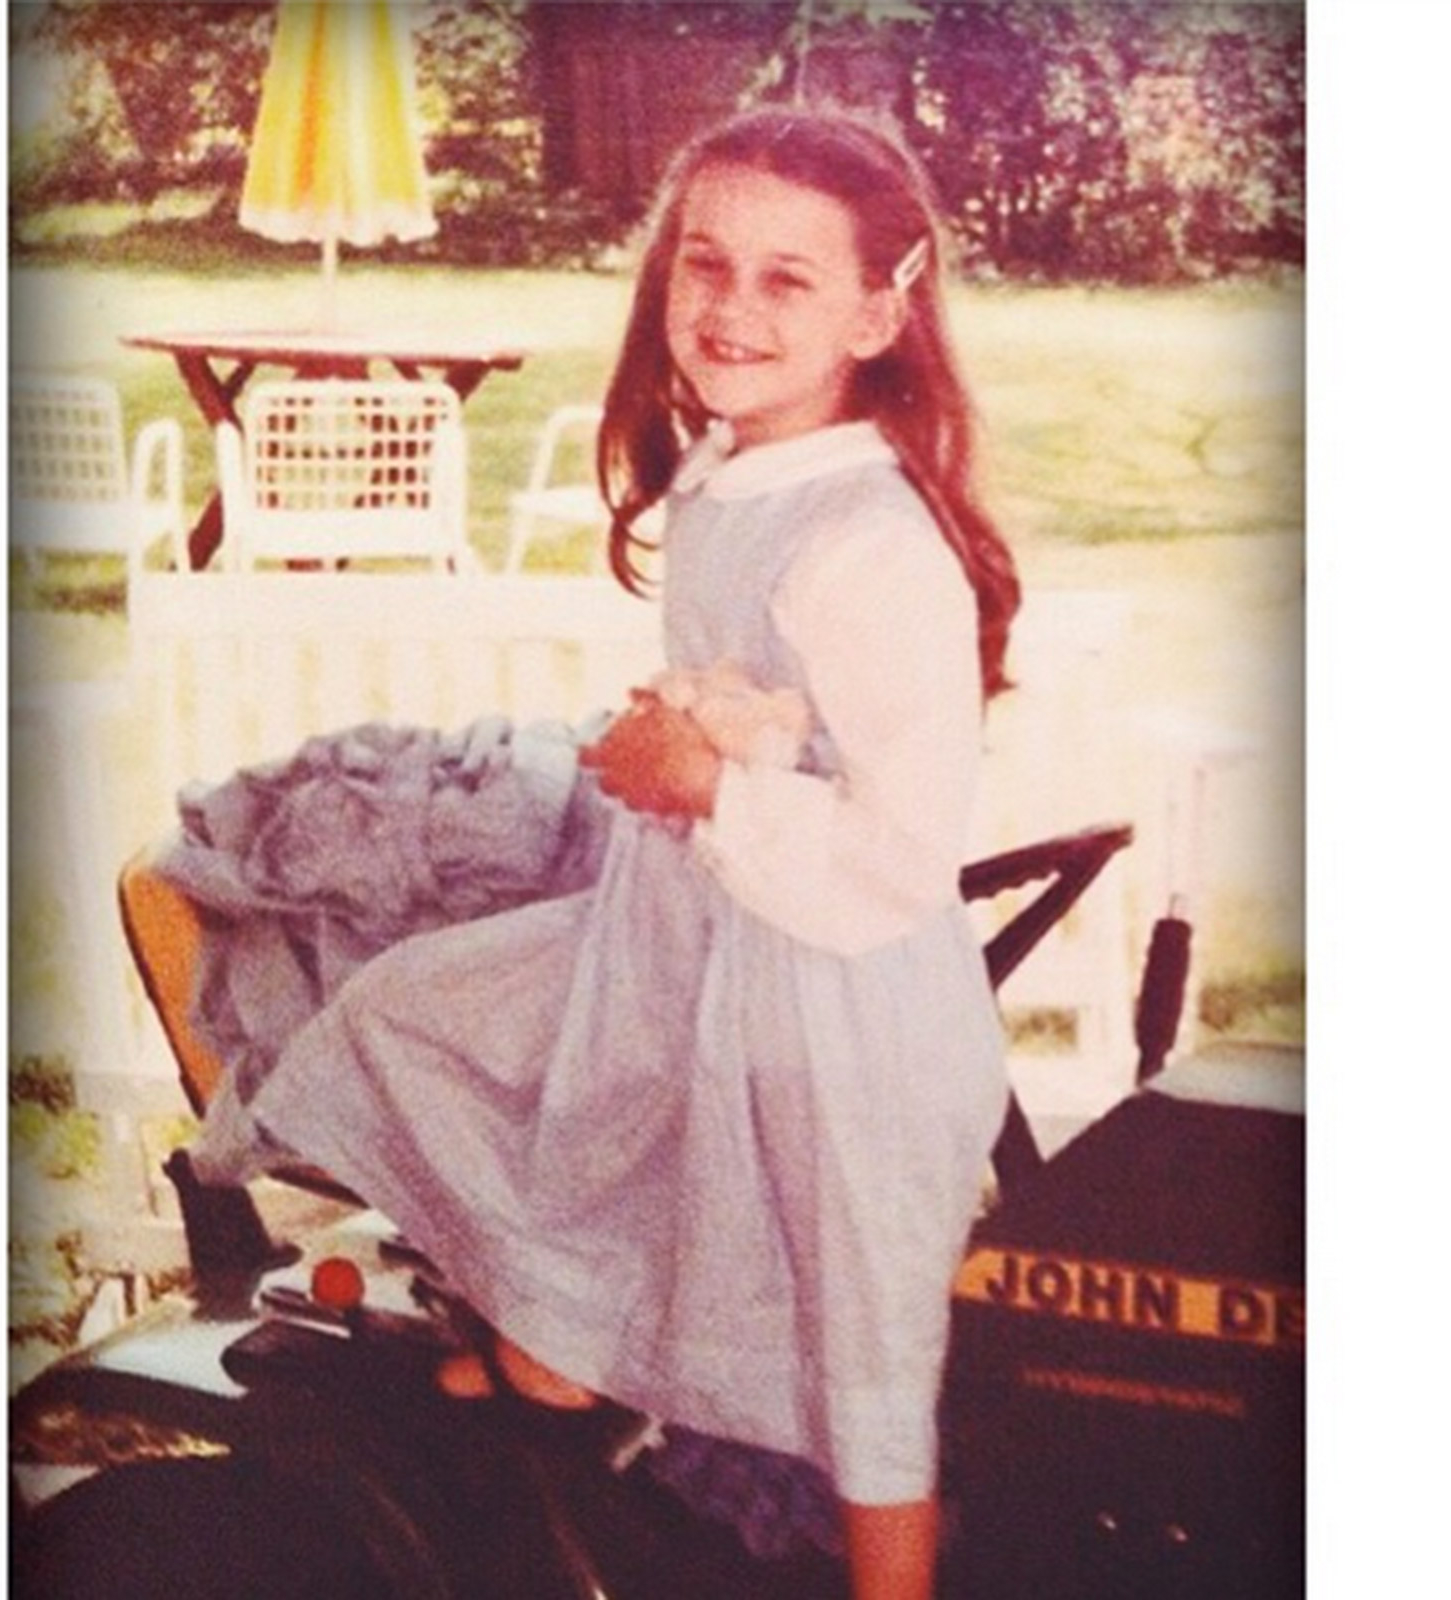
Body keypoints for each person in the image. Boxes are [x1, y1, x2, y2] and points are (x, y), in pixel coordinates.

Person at [159, 105, 1021, 1600]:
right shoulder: (732, 467)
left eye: (788, 279)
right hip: (684, 939)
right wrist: (672, 745)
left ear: (879, 315)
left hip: (828, 1006)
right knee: (419, 1015)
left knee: (863, 1347)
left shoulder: (871, 547)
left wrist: (708, 782)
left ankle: (897, 1574)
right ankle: (561, 1341)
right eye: (707, 264)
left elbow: (897, 853)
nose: (731, 308)